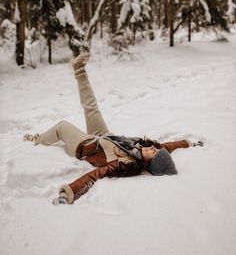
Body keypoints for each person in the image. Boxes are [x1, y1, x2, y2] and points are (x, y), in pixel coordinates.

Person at [24, 52, 204, 205]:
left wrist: (70, 192)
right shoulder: (143, 148)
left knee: (62, 126)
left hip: (85, 147)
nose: (153, 148)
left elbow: (97, 174)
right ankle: (79, 69)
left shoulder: (127, 164)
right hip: (102, 136)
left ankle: (37, 139)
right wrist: (188, 143)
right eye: (156, 148)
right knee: (92, 107)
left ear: (150, 164)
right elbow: (168, 146)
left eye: (154, 153)